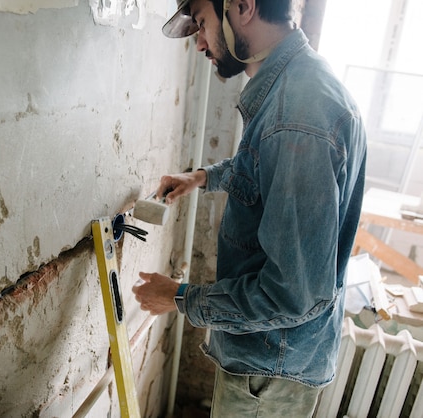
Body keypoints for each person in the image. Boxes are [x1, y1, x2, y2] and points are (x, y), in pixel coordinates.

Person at [132, 0, 367, 416]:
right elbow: (262, 170)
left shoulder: (296, 115)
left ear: (242, 6)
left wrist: (181, 297)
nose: (200, 42)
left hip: (269, 370)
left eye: (202, 22)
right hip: (272, 361)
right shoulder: (296, 85)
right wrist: (203, 177)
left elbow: (290, 297)